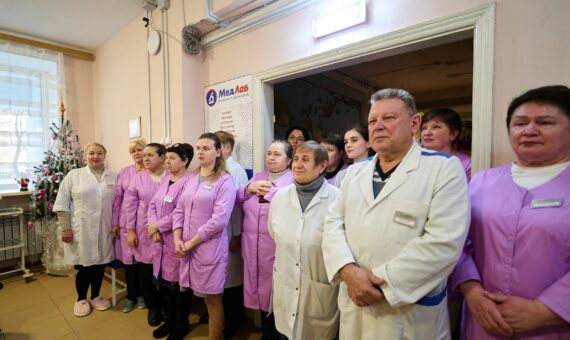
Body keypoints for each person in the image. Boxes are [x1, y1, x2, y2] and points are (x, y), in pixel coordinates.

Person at [322, 88, 470, 339]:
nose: (378, 126)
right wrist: (348, 271)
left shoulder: (443, 169)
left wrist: (373, 283)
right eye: (372, 121)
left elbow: (443, 243)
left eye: (388, 118)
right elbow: (332, 224)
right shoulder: (354, 173)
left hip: (408, 311)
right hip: (355, 305)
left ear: (414, 123)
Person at [451, 85, 570, 339]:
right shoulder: (481, 182)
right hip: (481, 321)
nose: (529, 130)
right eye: (519, 123)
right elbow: (457, 241)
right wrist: (472, 291)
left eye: (545, 122)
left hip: (554, 327)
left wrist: (544, 310)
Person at [268, 141, 340, 339]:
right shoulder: (280, 198)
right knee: (285, 334)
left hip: (318, 291)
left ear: (322, 165)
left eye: (306, 160)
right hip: (286, 286)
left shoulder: (337, 199)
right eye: (297, 159)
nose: (298, 165)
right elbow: (275, 234)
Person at [173, 133, 236, 340]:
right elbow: (179, 210)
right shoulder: (190, 179)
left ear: (218, 152)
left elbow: (219, 221)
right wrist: (177, 239)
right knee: (188, 291)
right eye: (198, 148)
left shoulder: (225, 181)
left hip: (209, 248)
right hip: (186, 247)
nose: (200, 152)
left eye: (206, 148)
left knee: (212, 300)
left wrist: (189, 243)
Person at [237, 140, 293, 339]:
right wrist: (249, 189)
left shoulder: (294, 180)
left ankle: (278, 335)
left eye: (277, 154)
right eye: (269, 153)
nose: (271, 157)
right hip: (252, 247)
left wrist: (272, 193)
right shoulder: (258, 177)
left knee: (278, 296)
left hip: (276, 249)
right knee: (260, 294)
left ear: (288, 159)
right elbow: (237, 199)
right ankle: (267, 333)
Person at [53, 142, 116, 317]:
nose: (95, 156)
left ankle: (95, 296)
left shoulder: (113, 177)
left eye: (99, 153)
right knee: (84, 266)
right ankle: (81, 299)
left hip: (105, 229)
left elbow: (117, 204)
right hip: (81, 229)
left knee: (99, 265)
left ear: (105, 155)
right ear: (85, 156)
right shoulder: (74, 175)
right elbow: (62, 203)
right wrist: (65, 228)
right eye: (91, 153)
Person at [147, 143, 194, 340]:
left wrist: (158, 226)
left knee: (179, 287)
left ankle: (181, 324)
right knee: (164, 285)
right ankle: (170, 322)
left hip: (177, 239)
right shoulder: (166, 180)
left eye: (172, 158)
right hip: (159, 241)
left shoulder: (190, 182)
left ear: (185, 161)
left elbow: (179, 212)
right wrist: (152, 226)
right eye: (166, 158)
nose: (167, 161)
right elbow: (152, 205)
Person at [124, 143, 170, 327]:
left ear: (163, 157)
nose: (146, 159)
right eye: (144, 155)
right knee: (146, 273)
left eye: (150, 155)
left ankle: (166, 306)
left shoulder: (172, 177)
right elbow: (130, 206)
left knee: (167, 273)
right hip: (144, 232)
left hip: (167, 232)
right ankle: (153, 307)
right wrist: (130, 231)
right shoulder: (138, 179)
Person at [214, 130, 249, 338]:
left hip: (230, 231)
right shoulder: (215, 169)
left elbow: (237, 207)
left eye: (217, 146)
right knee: (219, 279)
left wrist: (236, 235)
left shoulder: (235, 171)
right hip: (217, 234)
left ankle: (234, 321)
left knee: (232, 280)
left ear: (227, 148)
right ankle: (220, 316)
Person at [111, 138, 147, 313]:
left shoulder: (151, 171)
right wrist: (115, 222)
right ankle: (131, 296)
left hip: (145, 223)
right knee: (129, 263)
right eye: (133, 151)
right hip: (126, 223)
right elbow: (118, 199)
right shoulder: (125, 172)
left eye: (140, 150)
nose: (137, 153)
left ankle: (143, 295)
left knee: (143, 262)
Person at [421, 108, 471, 180]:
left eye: (435, 127)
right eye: (424, 128)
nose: (427, 133)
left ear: (453, 134)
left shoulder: (468, 164)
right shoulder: (413, 160)